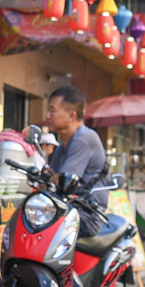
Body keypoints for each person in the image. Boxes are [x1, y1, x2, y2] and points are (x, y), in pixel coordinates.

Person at [43, 85, 110, 234]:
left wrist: (52, 178)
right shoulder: (62, 146)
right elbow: (50, 179)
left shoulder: (84, 138)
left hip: (86, 217)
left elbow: (62, 180)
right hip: (67, 211)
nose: (48, 116)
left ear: (71, 116)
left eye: (52, 110)